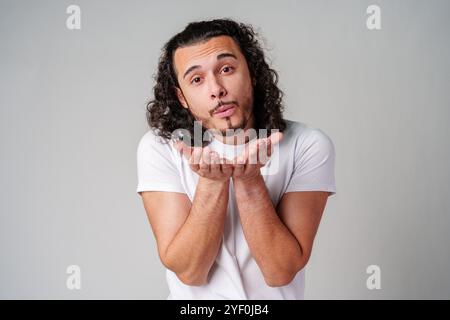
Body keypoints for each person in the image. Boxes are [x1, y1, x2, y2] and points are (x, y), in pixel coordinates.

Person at [136, 18, 336, 299]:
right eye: (197, 79)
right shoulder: (160, 148)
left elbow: (280, 271)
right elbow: (190, 272)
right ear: (181, 97)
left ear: (252, 73)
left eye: (226, 69)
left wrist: (250, 180)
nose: (216, 89)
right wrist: (211, 183)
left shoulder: (307, 144)